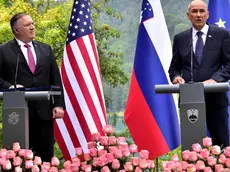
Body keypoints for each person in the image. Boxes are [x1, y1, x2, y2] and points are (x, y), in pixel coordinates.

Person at [0, 12, 65, 161]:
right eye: (27, 25)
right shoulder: (3, 51)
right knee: (20, 159)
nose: (32, 27)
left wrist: (59, 104)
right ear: (16, 30)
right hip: (17, 113)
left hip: (44, 112)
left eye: (32, 23)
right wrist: (11, 87)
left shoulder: (45, 49)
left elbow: (55, 78)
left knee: (45, 158)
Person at [169, 0, 230, 147]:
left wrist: (215, 80)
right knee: (192, 146)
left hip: (216, 99)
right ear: (188, 15)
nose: (198, 15)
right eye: (194, 11)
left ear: (207, 14)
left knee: (221, 146)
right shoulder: (180, 38)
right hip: (189, 100)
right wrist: (176, 77)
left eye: (202, 11)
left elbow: (228, 64)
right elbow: (174, 68)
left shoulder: (221, 35)